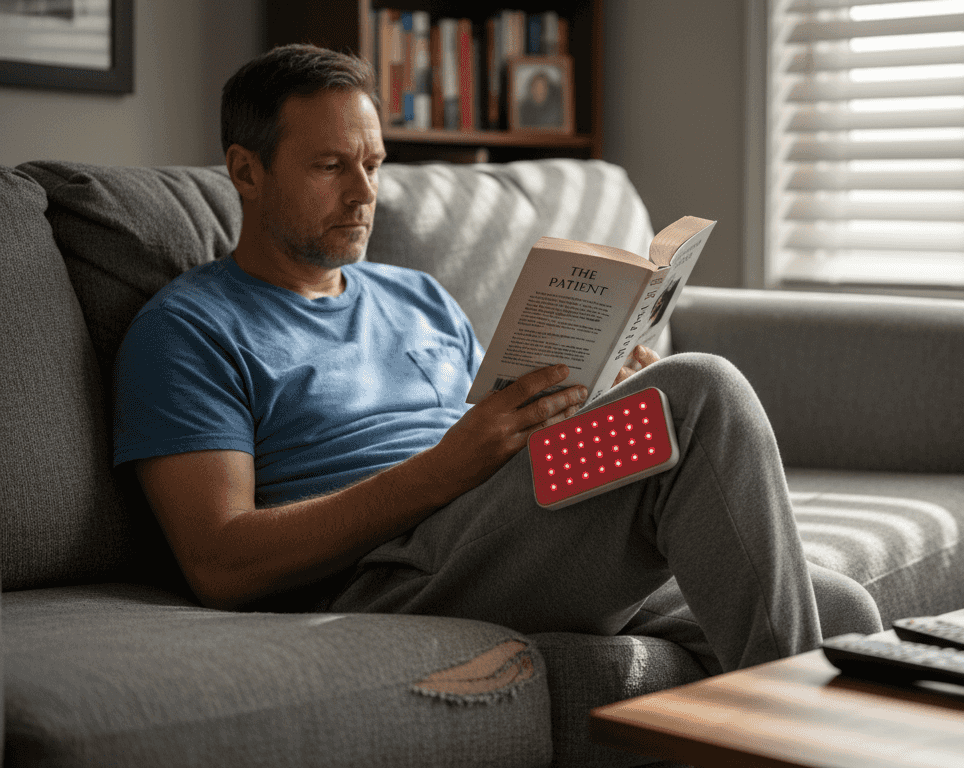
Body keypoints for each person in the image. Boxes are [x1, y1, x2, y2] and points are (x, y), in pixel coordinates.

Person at [112, 44, 880, 675]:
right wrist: (443, 472)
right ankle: (794, 746)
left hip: (501, 525)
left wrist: (591, 389)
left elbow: (491, 436)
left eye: (373, 165)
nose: (363, 194)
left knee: (843, 615)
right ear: (246, 171)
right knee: (700, 391)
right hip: (390, 573)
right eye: (329, 167)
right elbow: (218, 561)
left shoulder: (415, 295)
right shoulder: (187, 329)